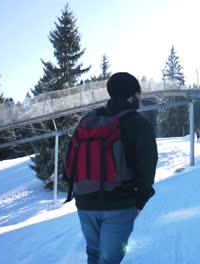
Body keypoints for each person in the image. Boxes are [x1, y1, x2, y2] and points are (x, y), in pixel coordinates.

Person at [66, 72, 158, 264]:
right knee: (109, 259)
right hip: (120, 203)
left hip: (85, 202)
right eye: (138, 93)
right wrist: (140, 202)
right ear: (132, 96)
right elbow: (147, 169)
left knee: (93, 252)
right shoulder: (139, 125)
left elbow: (70, 160)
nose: (139, 98)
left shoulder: (89, 120)